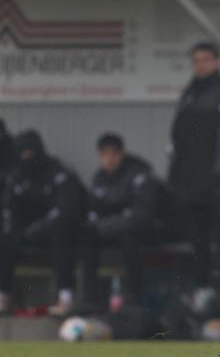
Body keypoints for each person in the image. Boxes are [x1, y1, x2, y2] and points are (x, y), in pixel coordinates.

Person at [168, 42, 220, 304]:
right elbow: (177, 139)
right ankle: (200, 290)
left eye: (206, 60)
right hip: (191, 185)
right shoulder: (190, 93)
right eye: (196, 60)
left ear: (216, 62)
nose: (201, 65)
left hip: (218, 185)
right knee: (197, 240)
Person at [0, 131, 85, 315]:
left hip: (54, 231)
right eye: (23, 154)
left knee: (61, 236)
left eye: (30, 154)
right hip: (26, 233)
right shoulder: (17, 176)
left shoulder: (58, 172)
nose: (27, 158)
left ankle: (65, 297)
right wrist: (19, 230)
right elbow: (10, 209)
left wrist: (38, 228)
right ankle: (3, 295)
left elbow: (66, 211)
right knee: (6, 238)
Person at [82, 133, 161, 311]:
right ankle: (90, 299)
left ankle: (134, 298)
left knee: (129, 237)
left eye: (113, 154)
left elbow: (141, 214)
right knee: (86, 235)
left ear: (121, 154)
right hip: (111, 230)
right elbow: (93, 210)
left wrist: (107, 225)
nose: (109, 159)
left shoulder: (139, 173)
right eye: (104, 155)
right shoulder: (99, 178)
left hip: (144, 231)